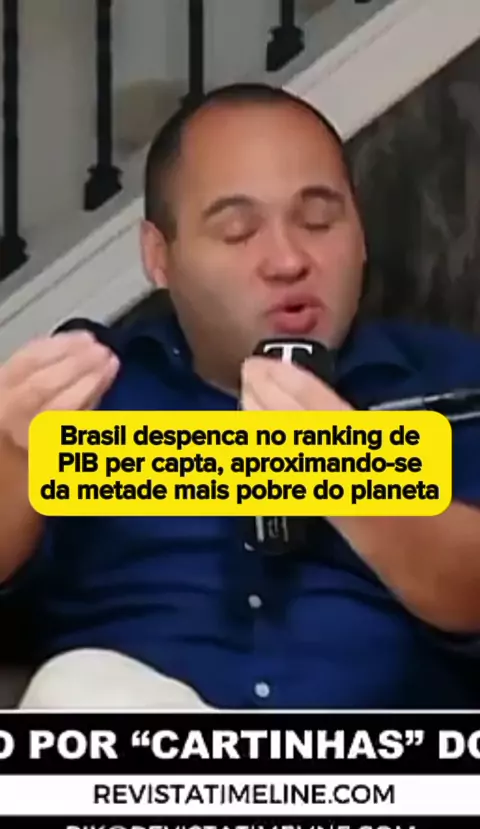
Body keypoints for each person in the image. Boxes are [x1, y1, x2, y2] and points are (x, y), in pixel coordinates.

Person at [2, 82, 480, 710]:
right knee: (78, 688)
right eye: (236, 231)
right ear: (159, 256)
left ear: (361, 234)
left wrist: (346, 471)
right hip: (131, 752)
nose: (287, 260)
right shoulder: (96, 388)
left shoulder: (450, 383)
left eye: (318, 221)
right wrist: (10, 458)